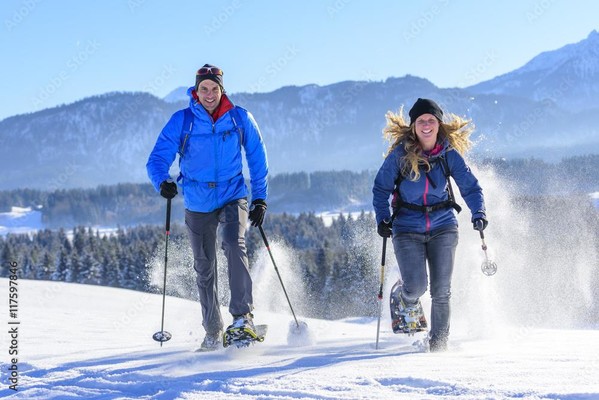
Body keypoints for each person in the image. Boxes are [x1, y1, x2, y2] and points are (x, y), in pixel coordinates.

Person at [146, 64, 269, 350]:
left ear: (222, 89)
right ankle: (213, 331)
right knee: (204, 265)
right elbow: (157, 159)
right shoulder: (183, 121)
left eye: (214, 88)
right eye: (204, 89)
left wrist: (260, 198)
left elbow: (258, 158)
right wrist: (161, 181)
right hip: (197, 202)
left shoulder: (239, 118)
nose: (209, 94)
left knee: (233, 243)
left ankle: (242, 318)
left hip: (232, 195)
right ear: (196, 91)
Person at [372, 98, 487, 352]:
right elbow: (381, 189)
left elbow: (470, 186)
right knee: (417, 286)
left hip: (443, 225)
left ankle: (439, 347)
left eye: (431, 120)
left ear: (439, 124)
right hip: (407, 228)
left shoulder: (449, 154)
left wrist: (478, 212)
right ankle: (404, 297)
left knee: (441, 291)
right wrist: (382, 217)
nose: (426, 125)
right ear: (413, 126)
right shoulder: (399, 156)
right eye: (421, 121)